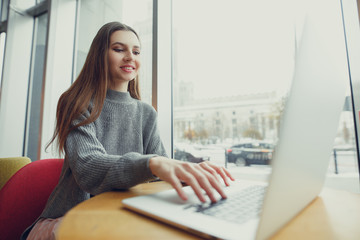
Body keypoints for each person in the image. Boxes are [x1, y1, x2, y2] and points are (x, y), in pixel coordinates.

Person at [22, 21, 234, 240]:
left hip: (118, 213)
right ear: (99, 55)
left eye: (136, 51)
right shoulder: (77, 102)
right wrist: (152, 163)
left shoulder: (146, 112)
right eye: (118, 49)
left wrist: (191, 172)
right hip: (67, 218)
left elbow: (158, 174)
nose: (130, 57)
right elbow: (88, 167)